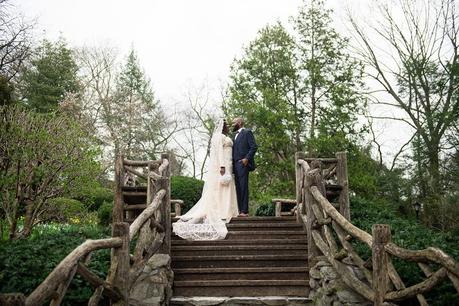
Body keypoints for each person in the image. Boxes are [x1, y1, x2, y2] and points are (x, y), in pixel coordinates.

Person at [172, 119, 239, 240]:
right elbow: (218, 152)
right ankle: (221, 211)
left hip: (229, 165)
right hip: (223, 166)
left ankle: (228, 210)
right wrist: (222, 166)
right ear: (222, 126)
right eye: (226, 126)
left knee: (226, 187)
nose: (228, 128)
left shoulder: (222, 136)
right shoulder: (218, 136)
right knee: (221, 188)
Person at [231, 117, 258, 217]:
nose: (232, 125)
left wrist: (246, 159)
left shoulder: (247, 132)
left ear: (239, 122)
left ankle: (244, 211)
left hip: (243, 164)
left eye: (234, 123)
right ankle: (239, 210)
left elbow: (254, 147)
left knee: (243, 187)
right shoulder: (234, 136)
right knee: (237, 187)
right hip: (235, 165)